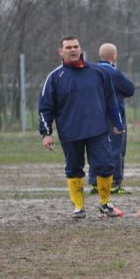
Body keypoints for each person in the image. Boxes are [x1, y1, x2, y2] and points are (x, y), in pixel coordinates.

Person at [38, 36, 123, 219]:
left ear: (81, 48)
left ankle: (105, 204)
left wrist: (117, 123)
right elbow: (45, 108)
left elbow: (111, 100)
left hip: (98, 131)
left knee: (106, 165)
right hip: (70, 133)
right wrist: (46, 134)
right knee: (74, 169)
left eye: (76, 46)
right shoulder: (54, 77)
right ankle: (78, 207)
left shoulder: (98, 72)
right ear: (61, 51)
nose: (73, 50)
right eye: (68, 47)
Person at [88, 43, 135, 195]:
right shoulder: (114, 73)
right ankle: (114, 183)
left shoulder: (91, 72)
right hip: (114, 118)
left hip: (94, 118)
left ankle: (95, 182)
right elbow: (130, 90)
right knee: (115, 150)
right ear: (114, 56)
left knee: (96, 149)